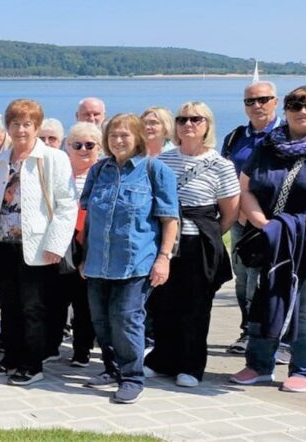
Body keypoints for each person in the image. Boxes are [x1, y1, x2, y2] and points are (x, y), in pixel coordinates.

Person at [232, 86, 306, 393]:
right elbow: (245, 188)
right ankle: (259, 365)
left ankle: (304, 370)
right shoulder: (267, 146)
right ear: (285, 109)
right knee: (263, 299)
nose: (302, 110)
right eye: (295, 104)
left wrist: (301, 231)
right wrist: (265, 225)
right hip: (270, 238)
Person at [0, 99, 78, 387]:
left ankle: (32, 364)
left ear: (37, 127)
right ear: (7, 127)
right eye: (16, 123)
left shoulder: (53, 159)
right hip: (3, 243)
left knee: (34, 307)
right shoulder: (0, 161)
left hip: (37, 247)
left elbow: (67, 204)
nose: (21, 129)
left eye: (27, 124)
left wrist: (56, 244)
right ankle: (11, 358)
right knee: (8, 304)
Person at [79, 113, 179, 404]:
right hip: (98, 261)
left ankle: (132, 377)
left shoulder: (155, 171)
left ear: (138, 137)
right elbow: (87, 219)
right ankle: (111, 368)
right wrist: (84, 257)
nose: (118, 140)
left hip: (135, 262)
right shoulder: (99, 171)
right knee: (101, 320)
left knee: (126, 320)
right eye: (113, 135)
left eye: (124, 135)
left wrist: (164, 258)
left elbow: (170, 220)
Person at [145, 102, 238, 387]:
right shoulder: (163, 160)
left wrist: (206, 234)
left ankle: (191, 366)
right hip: (165, 242)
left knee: (196, 307)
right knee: (162, 304)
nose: (188, 124)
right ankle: (162, 359)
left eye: (196, 119)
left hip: (199, 242)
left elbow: (230, 211)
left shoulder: (221, 165)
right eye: (183, 119)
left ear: (207, 124)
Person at [222, 80, 284, 354]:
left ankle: (275, 337)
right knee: (243, 277)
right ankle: (248, 330)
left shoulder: (288, 134)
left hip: (275, 220)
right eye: (250, 101)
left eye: (263, 99)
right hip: (239, 219)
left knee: (270, 278)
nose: (257, 105)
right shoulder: (236, 137)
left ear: (276, 101)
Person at [45, 122, 102, 366]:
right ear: (68, 146)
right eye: (77, 144)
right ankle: (51, 345)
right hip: (60, 243)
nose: (83, 149)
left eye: (89, 145)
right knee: (55, 299)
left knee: (84, 303)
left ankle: (82, 350)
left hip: (90, 244)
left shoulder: (103, 173)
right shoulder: (60, 172)